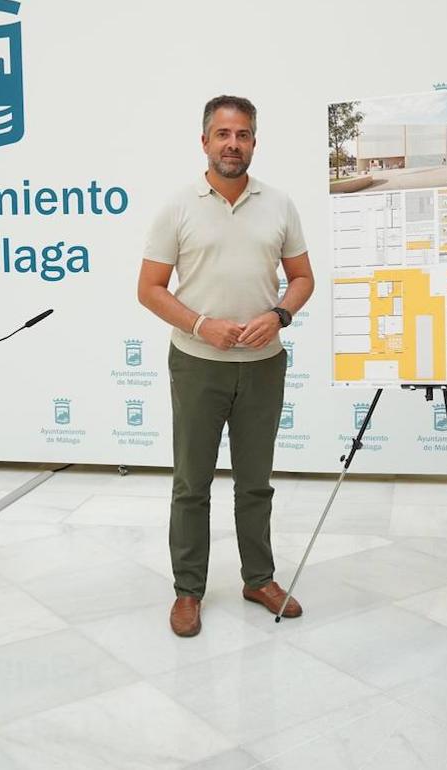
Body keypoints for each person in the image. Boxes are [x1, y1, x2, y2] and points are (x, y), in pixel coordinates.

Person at [138, 95, 315, 638]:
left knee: (255, 483)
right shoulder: (178, 207)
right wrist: (199, 325)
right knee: (192, 484)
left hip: (263, 365)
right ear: (205, 141)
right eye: (222, 134)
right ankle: (188, 590)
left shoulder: (280, 204)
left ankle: (258, 578)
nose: (232, 144)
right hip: (198, 365)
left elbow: (303, 278)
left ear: (254, 142)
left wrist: (280, 314)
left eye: (242, 135)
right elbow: (148, 289)